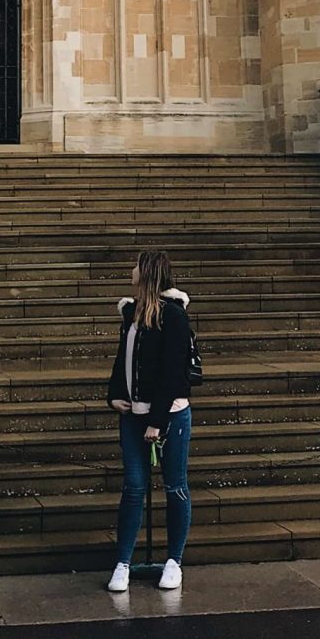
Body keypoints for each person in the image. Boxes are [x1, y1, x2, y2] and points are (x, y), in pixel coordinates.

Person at [105, 248, 193, 592]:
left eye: (136, 266)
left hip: (170, 416)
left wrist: (156, 421)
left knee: (175, 486)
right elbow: (122, 360)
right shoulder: (131, 313)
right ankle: (123, 562)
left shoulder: (173, 316)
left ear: (148, 273)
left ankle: (174, 560)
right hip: (132, 415)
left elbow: (174, 372)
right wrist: (114, 394)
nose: (131, 270)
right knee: (134, 487)